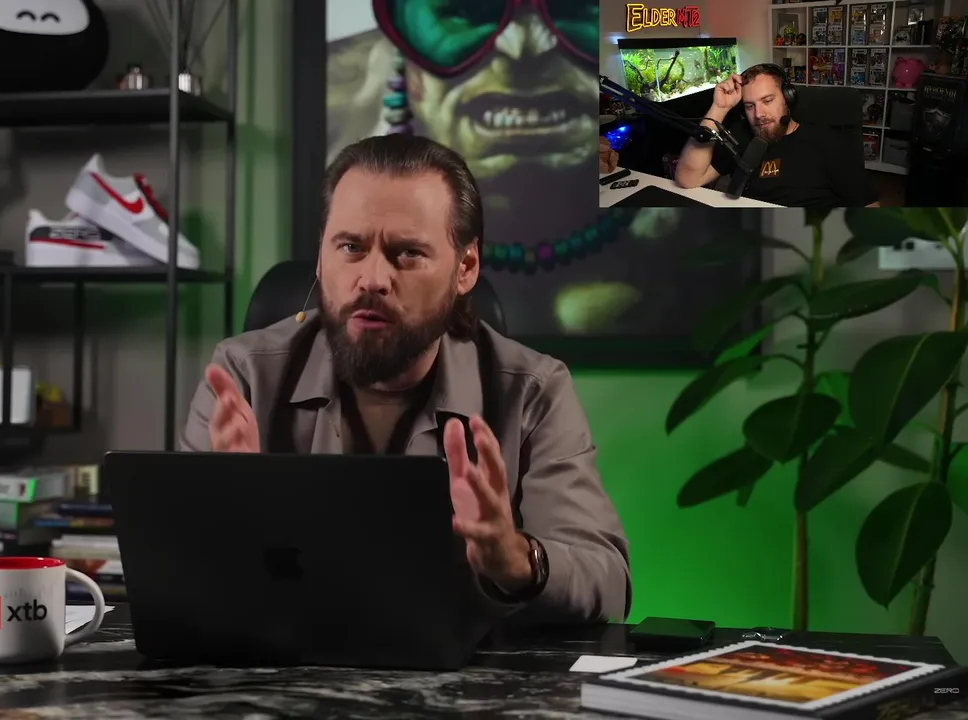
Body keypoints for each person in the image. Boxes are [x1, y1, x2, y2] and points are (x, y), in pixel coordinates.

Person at [181, 134, 631, 624]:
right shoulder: (242, 377)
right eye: (350, 247)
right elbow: (177, 571)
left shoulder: (532, 391)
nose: (373, 278)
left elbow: (607, 581)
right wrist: (233, 515)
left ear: (466, 268)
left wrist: (515, 559)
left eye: (408, 253)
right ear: (321, 258)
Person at [673, 64, 879, 208]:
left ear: (788, 98)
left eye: (767, 100)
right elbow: (687, 178)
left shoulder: (828, 143)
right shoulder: (742, 137)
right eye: (750, 106)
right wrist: (719, 108)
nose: (759, 114)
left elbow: (868, 206)